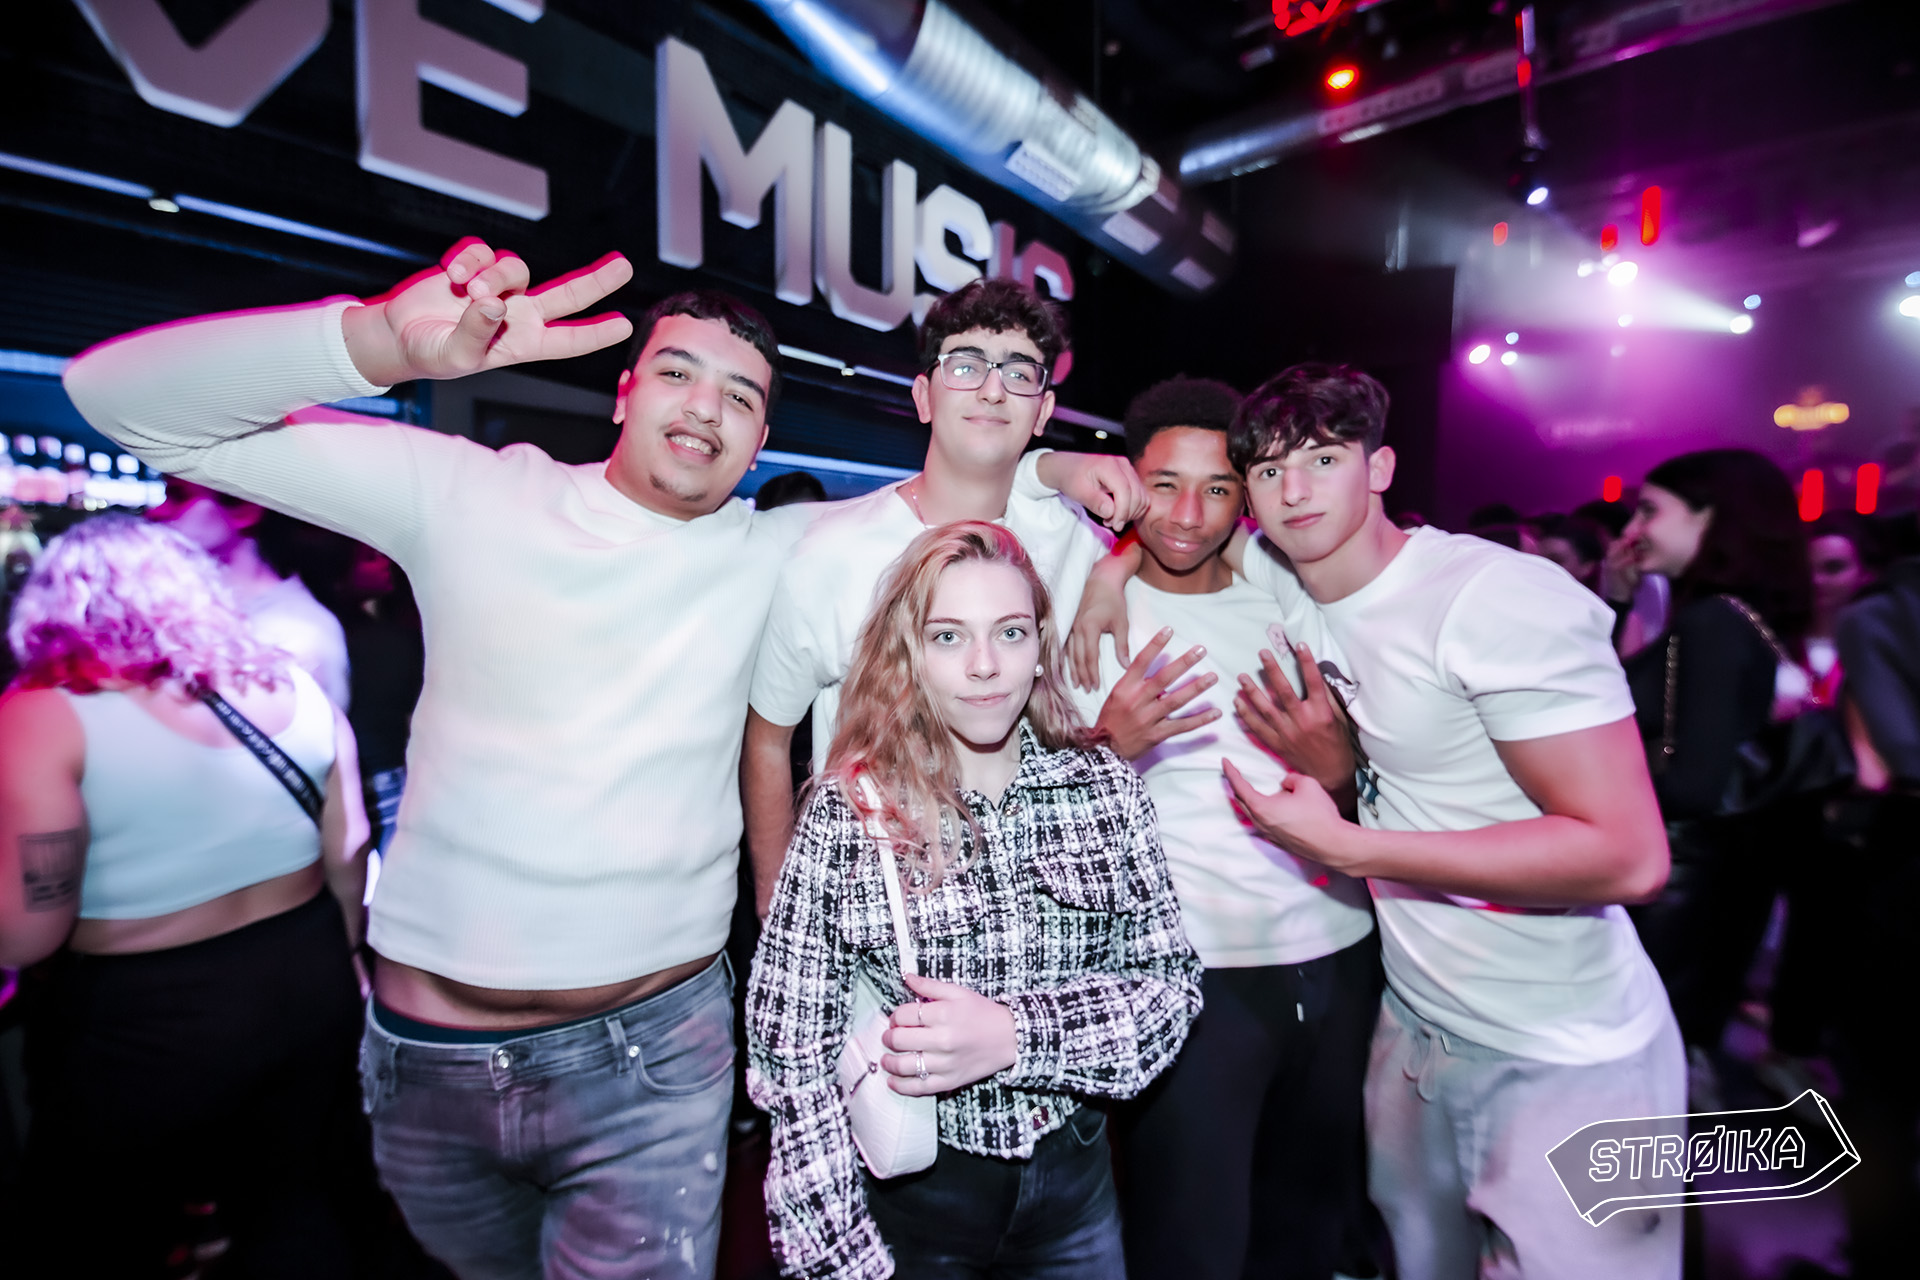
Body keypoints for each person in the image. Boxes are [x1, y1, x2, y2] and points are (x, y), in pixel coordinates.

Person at [63, 239, 1135, 1280]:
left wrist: (1062, 480)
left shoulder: (778, 550)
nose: (705, 406)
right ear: (622, 394)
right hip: (429, 1060)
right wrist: (378, 341)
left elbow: (958, 505)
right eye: (677, 372)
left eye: (740, 395)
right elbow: (123, 403)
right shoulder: (470, 494)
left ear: (760, 439)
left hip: (655, 1056)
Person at [1076, 363, 1679, 1280]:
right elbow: (1173, 533)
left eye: (1323, 459)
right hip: (1412, 1022)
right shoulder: (1296, 585)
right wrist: (1107, 570)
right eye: (1270, 471)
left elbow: (1630, 858)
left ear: (1382, 468)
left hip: (1563, 1041)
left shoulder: (1493, 597)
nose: (1295, 490)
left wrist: (1347, 842)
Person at [747, 521, 1201, 1280]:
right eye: (949, 636)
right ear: (909, 653)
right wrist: (839, 1260)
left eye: (1010, 632)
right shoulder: (850, 812)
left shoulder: (1104, 789)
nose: (985, 665)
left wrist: (1019, 1035)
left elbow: (1169, 991)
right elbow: (792, 1058)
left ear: (1040, 644)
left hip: (1076, 1180)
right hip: (914, 1192)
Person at [1065, 376, 1380, 1280]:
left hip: (1339, 956)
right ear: (1129, 479)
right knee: (1189, 1245)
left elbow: (1365, 772)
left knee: (1307, 1235)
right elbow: (1038, 812)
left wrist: (1336, 769)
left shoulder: (1284, 591)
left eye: (1218, 489)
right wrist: (1108, 744)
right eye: (1163, 485)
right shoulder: (1077, 604)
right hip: (1190, 978)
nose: (1188, 515)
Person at [0, 514, 371, 1277]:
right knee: (294, 1203)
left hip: (144, 1016)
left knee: (91, 1232)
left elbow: (26, 937)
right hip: (306, 977)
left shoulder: (40, 715)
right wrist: (344, 963)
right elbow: (351, 848)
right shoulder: (291, 686)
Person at [741, 279, 1138, 918]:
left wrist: (1116, 569)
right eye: (965, 365)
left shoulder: (1068, 536)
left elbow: (1177, 523)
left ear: (1042, 411)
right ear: (924, 397)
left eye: (1018, 372)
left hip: (1033, 914)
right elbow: (767, 739)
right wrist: (778, 904)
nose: (992, 389)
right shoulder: (831, 554)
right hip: (878, 909)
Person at [1610, 450, 1817, 1077]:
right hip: (1714, 888)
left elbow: (1693, 784)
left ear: (1710, 518)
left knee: (1644, 1075)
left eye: (1649, 511)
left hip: (1677, 894)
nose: (1633, 530)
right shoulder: (1739, 619)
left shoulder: (1712, 624)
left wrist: (1595, 786)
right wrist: (1617, 603)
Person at [1831, 523, 1920, 1280]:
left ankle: (1880, 1258)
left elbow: (1890, 761)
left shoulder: (1881, 615)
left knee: (1882, 1083)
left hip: (1906, 862)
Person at [152, 476, 352, 707]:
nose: (156, 511)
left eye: (178, 495)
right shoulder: (193, 605)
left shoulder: (296, 636)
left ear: (244, 510)